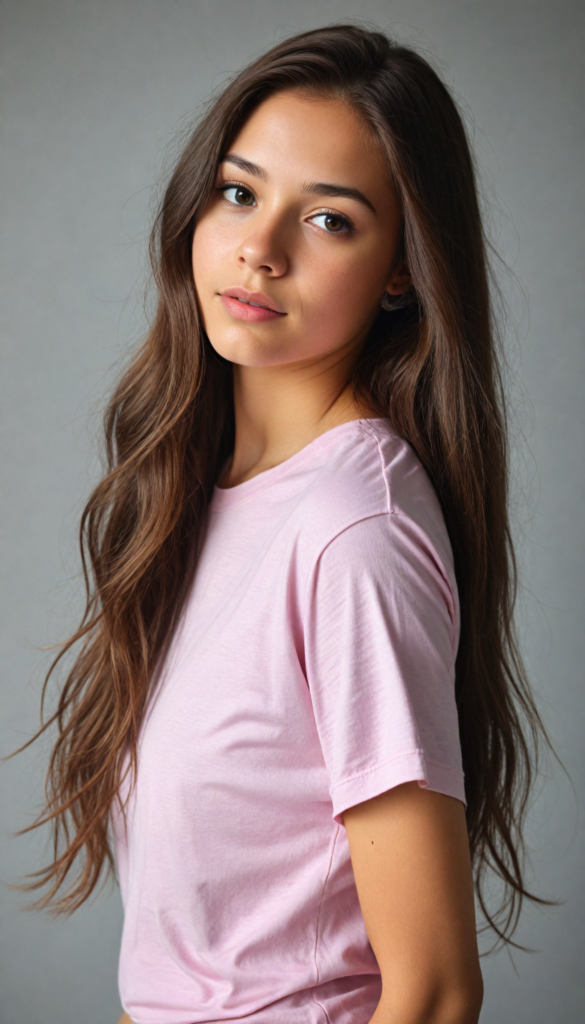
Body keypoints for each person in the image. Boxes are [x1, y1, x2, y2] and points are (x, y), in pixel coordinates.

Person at [17, 23, 553, 1024]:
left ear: (403, 269)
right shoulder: (208, 498)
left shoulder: (353, 529)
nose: (259, 249)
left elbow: (434, 992)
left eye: (331, 220)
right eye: (239, 191)